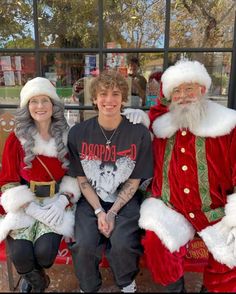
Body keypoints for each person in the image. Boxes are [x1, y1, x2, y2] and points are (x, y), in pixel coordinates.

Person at [125, 59, 236, 292]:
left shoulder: (227, 124)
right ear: (169, 96)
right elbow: (140, 138)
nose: (183, 96)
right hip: (171, 206)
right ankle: (176, 289)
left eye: (189, 89)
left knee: (229, 259)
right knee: (157, 245)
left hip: (215, 209)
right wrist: (137, 121)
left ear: (202, 90)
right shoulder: (161, 125)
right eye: (177, 91)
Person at [67, 70, 153, 293]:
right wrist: (98, 212)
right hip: (91, 199)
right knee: (84, 244)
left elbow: (135, 180)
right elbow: (82, 178)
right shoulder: (78, 133)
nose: (109, 100)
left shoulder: (138, 133)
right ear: (94, 99)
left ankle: (126, 282)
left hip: (125, 199)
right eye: (103, 94)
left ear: (123, 98)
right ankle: (88, 286)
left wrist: (112, 213)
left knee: (123, 243)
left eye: (116, 93)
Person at [0, 77, 81, 292]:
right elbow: (7, 179)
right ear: (27, 106)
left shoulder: (67, 136)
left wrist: (63, 200)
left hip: (56, 201)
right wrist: (31, 207)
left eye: (44, 100)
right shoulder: (16, 138)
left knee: (45, 254)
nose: (39, 106)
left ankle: (39, 273)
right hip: (25, 202)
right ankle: (38, 282)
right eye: (33, 101)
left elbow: (76, 174)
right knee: (21, 256)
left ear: (53, 104)